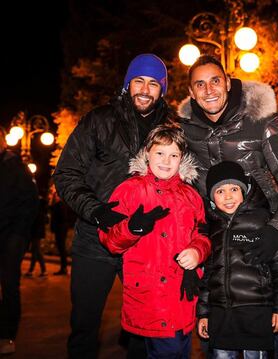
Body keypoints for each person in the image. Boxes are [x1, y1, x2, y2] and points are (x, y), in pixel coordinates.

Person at [178, 55, 278, 358]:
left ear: (226, 81)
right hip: (218, 248)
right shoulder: (186, 132)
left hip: (262, 242)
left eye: (215, 80)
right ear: (191, 92)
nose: (209, 89)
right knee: (219, 343)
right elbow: (177, 190)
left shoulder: (259, 121)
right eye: (200, 84)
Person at [53, 53, 170, 358]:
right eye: (138, 81)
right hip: (95, 242)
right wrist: (97, 211)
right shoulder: (99, 120)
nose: (145, 89)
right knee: (84, 325)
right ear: (127, 85)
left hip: (145, 245)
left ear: (163, 90)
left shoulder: (172, 129)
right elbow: (65, 174)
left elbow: (185, 181)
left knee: (144, 331)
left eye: (153, 83)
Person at [99, 124, 211, 358]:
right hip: (149, 295)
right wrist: (131, 228)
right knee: (166, 351)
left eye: (174, 155)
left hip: (182, 294)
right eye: (160, 152)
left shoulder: (190, 196)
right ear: (147, 152)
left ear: (182, 159)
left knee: (180, 350)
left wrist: (197, 251)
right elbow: (109, 240)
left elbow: (202, 234)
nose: (166, 161)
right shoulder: (129, 190)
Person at [197, 161, 278, 359]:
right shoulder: (212, 229)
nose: (227, 196)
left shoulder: (264, 222)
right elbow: (208, 275)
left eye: (234, 189)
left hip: (256, 313)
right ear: (211, 198)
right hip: (221, 315)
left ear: (245, 190)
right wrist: (204, 314)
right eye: (220, 191)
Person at [0, 126, 39, 354]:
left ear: (4, 141)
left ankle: (6, 335)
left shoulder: (15, 166)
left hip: (11, 237)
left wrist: (18, 234)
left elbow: (31, 202)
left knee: (9, 285)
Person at [24, 195, 48, 277]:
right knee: (35, 252)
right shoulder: (39, 212)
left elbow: (35, 224)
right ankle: (32, 270)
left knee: (37, 252)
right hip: (36, 234)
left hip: (36, 234)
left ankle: (43, 270)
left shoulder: (39, 212)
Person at [49, 188, 69, 275]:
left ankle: (63, 268)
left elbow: (61, 218)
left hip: (60, 229)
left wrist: (55, 227)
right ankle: (63, 267)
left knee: (61, 248)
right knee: (61, 248)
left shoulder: (60, 205)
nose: (54, 197)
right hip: (60, 229)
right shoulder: (59, 205)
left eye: (56, 195)